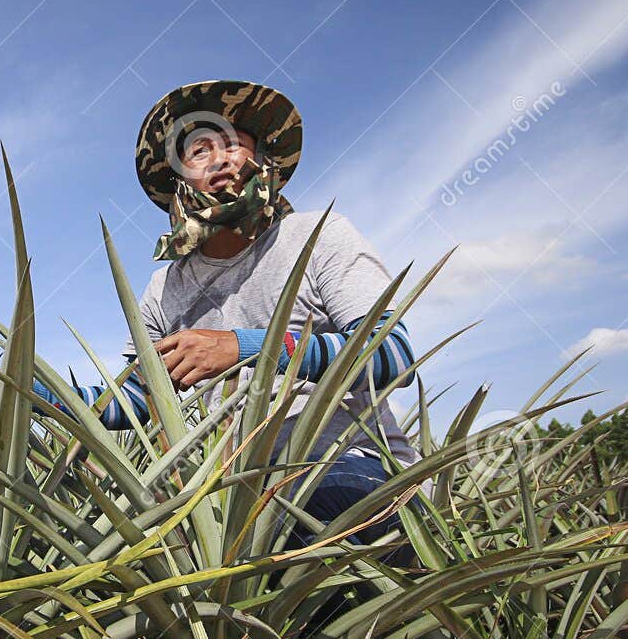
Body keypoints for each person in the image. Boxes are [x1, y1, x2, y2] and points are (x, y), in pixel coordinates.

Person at [33, 80, 419, 550]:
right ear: (179, 181)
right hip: (229, 493)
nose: (221, 159)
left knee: (320, 510)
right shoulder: (163, 290)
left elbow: (392, 353)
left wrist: (245, 347)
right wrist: (35, 394)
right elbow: (138, 398)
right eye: (200, 150)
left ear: (262, 162)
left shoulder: (317, 236)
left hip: (341, 465)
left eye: (235, 144)